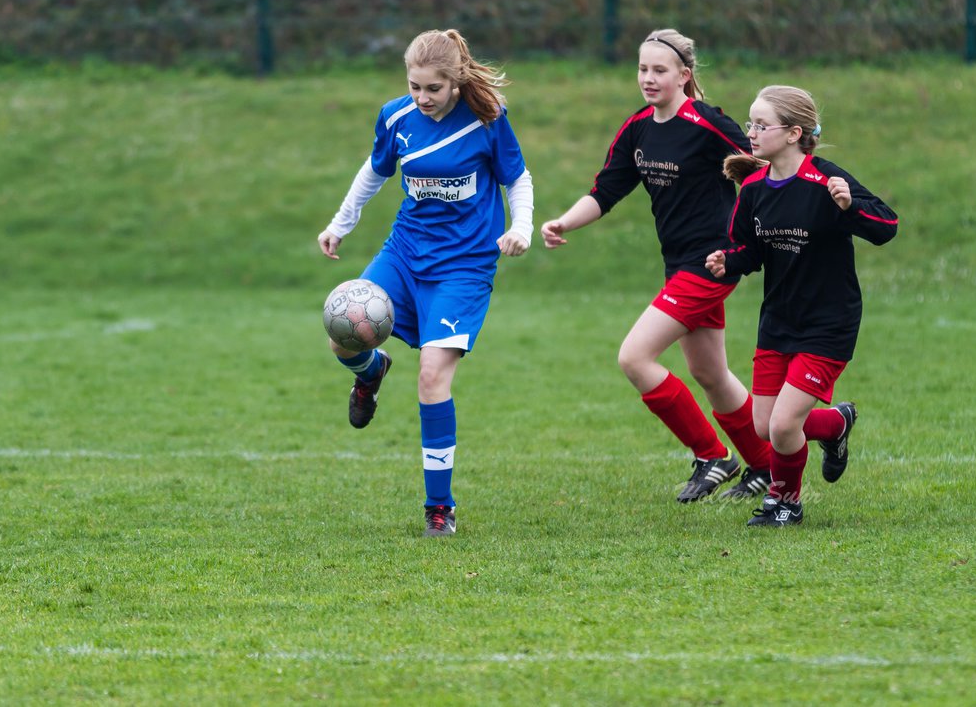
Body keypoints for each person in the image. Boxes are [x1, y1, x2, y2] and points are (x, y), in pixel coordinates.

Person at [539, 29, 773, 504]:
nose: (648, 78)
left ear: (684, 76)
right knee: (710, 373)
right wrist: (564, 222)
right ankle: (766, 467)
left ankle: (713, 455)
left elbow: (766, 171)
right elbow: (606, 191)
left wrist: (761, 236)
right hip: (678, 264)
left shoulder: (708, 124)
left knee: (634, 357)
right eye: (643, 69)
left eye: (659, 70)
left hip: (712, 263)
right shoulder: (639, 128)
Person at [318, 29, 534, 537]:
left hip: (463, 267)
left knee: (433, 376)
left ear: (456, 83)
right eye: (414, 86)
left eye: (432, 89)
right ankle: (371, 371)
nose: (422, 97)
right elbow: (374, 171)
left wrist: (520, 226)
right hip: (405, 253)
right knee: (340, 332)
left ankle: (439, 507)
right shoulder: (396, 116)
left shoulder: (488, 118)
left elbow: (516, 177)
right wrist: (339, 224)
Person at [706, 84, 898, 526]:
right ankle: (834, 424)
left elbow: (886, 226)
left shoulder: (825, 180)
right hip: (779, 319)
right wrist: (727, 261)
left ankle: (785, 502)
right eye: (750, 122)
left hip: (829, 321)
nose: (750, 132)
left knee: (782, 427)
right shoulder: (753, 187)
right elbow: (749, 251)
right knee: (764, 425)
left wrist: (848, 206)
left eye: (761, 125)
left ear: (793, 133)